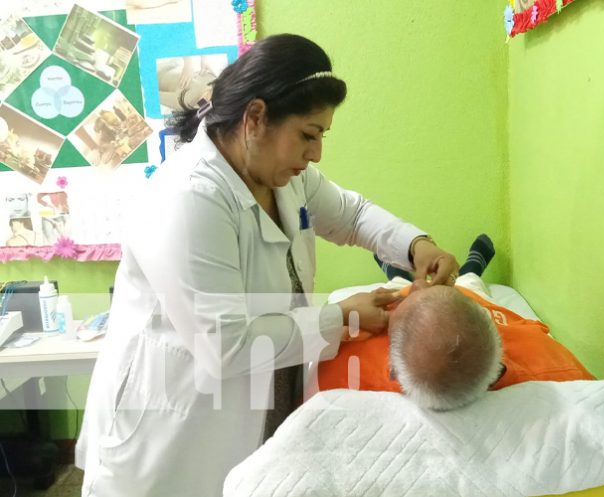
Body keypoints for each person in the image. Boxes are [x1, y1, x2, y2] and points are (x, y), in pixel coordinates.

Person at [75, 34, 459, 497]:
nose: (316, 154)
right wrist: (343, 317)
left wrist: (416, 245)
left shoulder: (283, 176)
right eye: (308, 135)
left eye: (321, 137)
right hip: (171, 432)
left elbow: (352, 215)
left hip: (258, 403)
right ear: (255, 118)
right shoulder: (189, 198)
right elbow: (225, 345)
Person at [316, 235, 594, 406]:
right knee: (469, 284)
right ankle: (471, 268)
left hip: (459, 304)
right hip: (461, 304)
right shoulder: (555, 364)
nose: (419, 284)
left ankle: (397, 270)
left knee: (416, 285)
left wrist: (338, 314)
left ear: (393, 370)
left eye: (401, 305)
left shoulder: (340, 373)